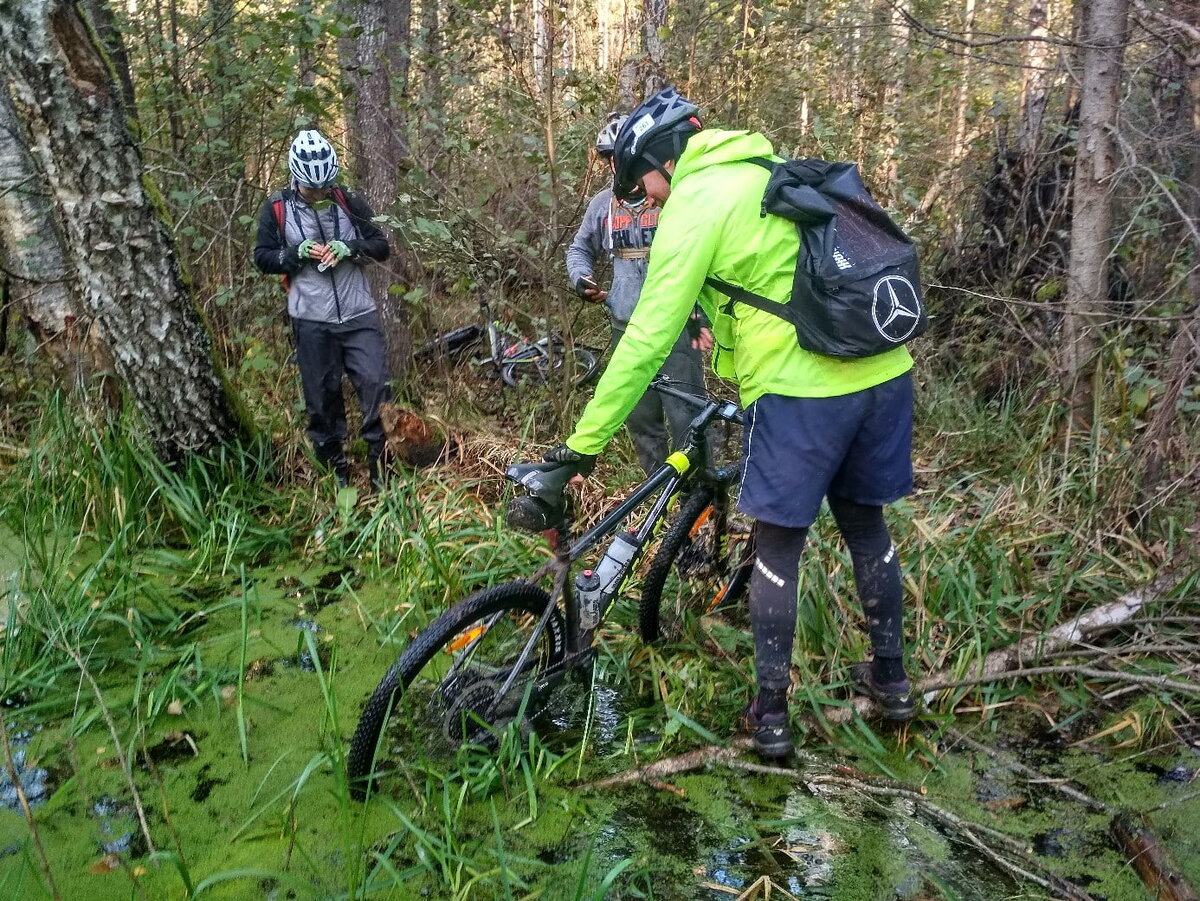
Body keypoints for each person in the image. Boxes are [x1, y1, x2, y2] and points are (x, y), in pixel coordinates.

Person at [539, 88, 917, 758]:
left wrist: (581, 444)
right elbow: (763, 284)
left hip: (805, 389)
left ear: (663, 160)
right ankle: (893, 681)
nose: (647, 201)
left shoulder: (697, 200)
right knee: (866, 523)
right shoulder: (768, 171)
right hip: (884, 370)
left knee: (776, 545)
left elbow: (647, 336)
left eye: (645, 185)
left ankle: (770, 715)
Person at [566, 112, 712, 476]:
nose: (618, 164)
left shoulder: (673, 195)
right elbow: (579, 248)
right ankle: (656, 489)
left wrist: (700, 320)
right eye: (610, 157)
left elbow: (705, 258)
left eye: (621, 154)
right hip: (625, 323)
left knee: (686, 414)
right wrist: (581, 277)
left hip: (679, 324)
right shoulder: (602, 205)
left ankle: (700, 498)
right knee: (640, 416)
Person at [254, 129, 392, 487]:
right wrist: (294, 255)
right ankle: (337, 478)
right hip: (311, 319)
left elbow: (380, 245)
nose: (320, 194)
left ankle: (382, 475)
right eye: (312, 189)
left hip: (359, 314)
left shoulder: (348, 201)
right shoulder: (277, 208)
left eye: (325, 186)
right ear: (297, 178)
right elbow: (263, 257)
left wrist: (350, 248)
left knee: (376, 387)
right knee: (322, 398)